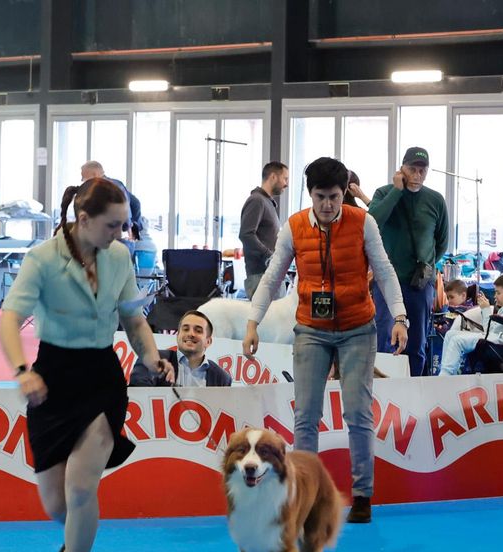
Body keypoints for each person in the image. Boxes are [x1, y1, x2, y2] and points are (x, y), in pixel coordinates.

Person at [0, 177, 174, 552]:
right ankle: (71, 541)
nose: (121, 234)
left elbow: (133, 320)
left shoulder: (119, 259)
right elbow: (9, 321)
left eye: (124, 225)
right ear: (84, 220)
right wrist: (22, 372)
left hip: (101, 377)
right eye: (113, 225)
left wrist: (152, 357)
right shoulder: (41, 260)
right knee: (56, 503)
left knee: (81, 489)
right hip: (52, 377)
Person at [243, 157, 408, 524]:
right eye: (320, 197)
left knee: (358, 413)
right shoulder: (293, 226)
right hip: (311, 330)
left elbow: (384, 271)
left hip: (357, 328)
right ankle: (307, 497)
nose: (328, 205)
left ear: (344, 193)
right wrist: (252, 322)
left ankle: (362, 495)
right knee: (305, 417)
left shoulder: (364, 223)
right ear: (310, 194)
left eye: (334, 196)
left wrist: (399, 316)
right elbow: (271, 279)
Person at [368, 147, 451, 376]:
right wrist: (397, 191)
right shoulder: (384, 193)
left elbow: (442, 242)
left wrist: (426, 264)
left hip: (419, 285)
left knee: (416, 344)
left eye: (422, 170)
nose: (417, 175)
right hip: (386, 282)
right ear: (401, 169)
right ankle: (385, 396)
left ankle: (414, 392)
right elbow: (372, 222)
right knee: (386, 340)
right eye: (412, 169)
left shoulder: (435, 200)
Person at [439, 273, 503, 375]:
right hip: (500, 340)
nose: (495, 296)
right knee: (451, 334)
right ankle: (446, 373)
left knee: (456, 340)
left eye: (498, 293)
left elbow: (490, 331)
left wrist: (485, 309)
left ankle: (445, 376)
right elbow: (492, 331)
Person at [129, 310, 233, 386]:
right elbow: (137, 390)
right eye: (186, 329)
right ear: (177, 336)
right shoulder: (155, 359)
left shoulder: (222, 378)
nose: (191, 334)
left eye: (198, 330)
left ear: (208, 341)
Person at [239, 161, 288, 298]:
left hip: (270, 275)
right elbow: (246, 234)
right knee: (266, 319)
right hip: (261, 276)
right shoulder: (257, 201)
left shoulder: (267, 202)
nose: (286, 184)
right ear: (273, 177)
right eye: (285, 178)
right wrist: (269, 255)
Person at [80, 160, 141, 228]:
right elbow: (135, 203)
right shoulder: (116, 183)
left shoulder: (104, 187)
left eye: (84, 177)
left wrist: (127, 227)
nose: (82, 180)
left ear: (95, 174)